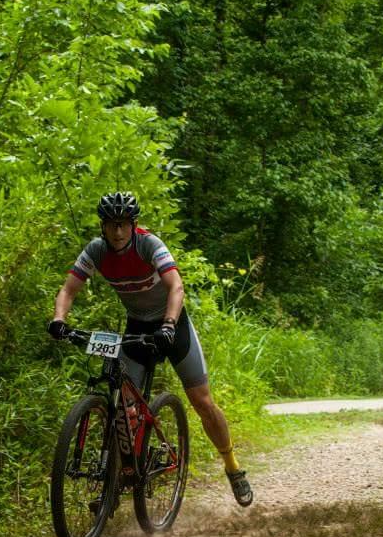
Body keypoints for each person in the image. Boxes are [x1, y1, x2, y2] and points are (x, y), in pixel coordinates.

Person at [47, 191, 253, 507]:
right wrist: (59, 320)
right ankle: (119, 477)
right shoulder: (97, 251)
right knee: (122, 407)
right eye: (112, 224)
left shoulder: (149, 245)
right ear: (103, 226)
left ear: (134, 225)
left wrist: (169, 324)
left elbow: (176, 286)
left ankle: (233, 467)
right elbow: (68, 289)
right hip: (137, 326)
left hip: (173, 324)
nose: (118, 232)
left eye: (124, 224)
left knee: (202, 401)